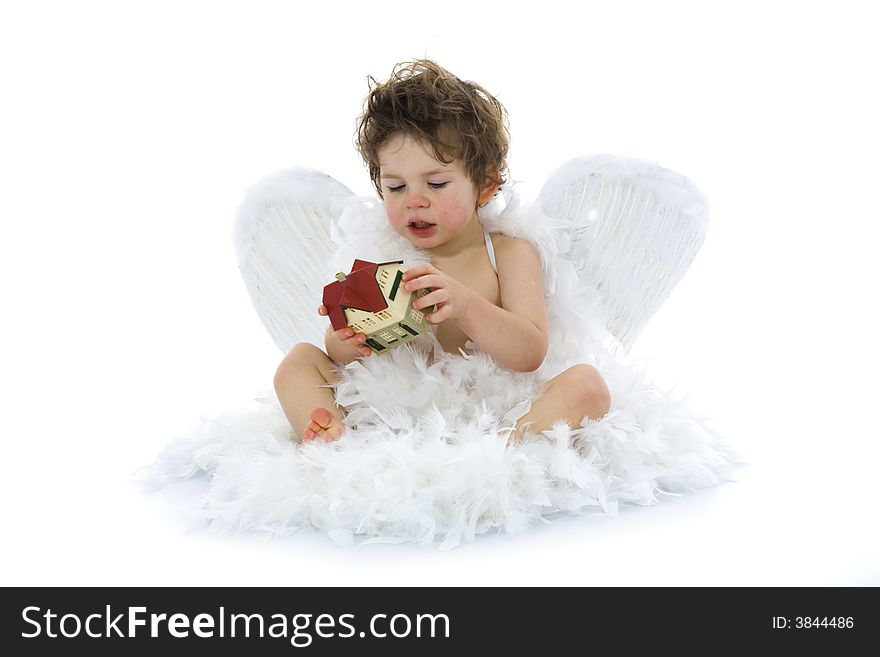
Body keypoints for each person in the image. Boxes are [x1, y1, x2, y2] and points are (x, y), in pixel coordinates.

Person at [274, 59, 611, 443]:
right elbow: (340, 355)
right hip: (399, 412)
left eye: (435, 183)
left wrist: (466, 305)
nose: (415, 201)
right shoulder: (383, 254)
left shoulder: (509, 253)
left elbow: (530, 352)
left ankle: (509, 449)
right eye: (396, 188)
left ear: (484, 184)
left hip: (495, 410)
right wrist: (347, 335)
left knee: (588, 385)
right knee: (299, 360)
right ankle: (334, 436)